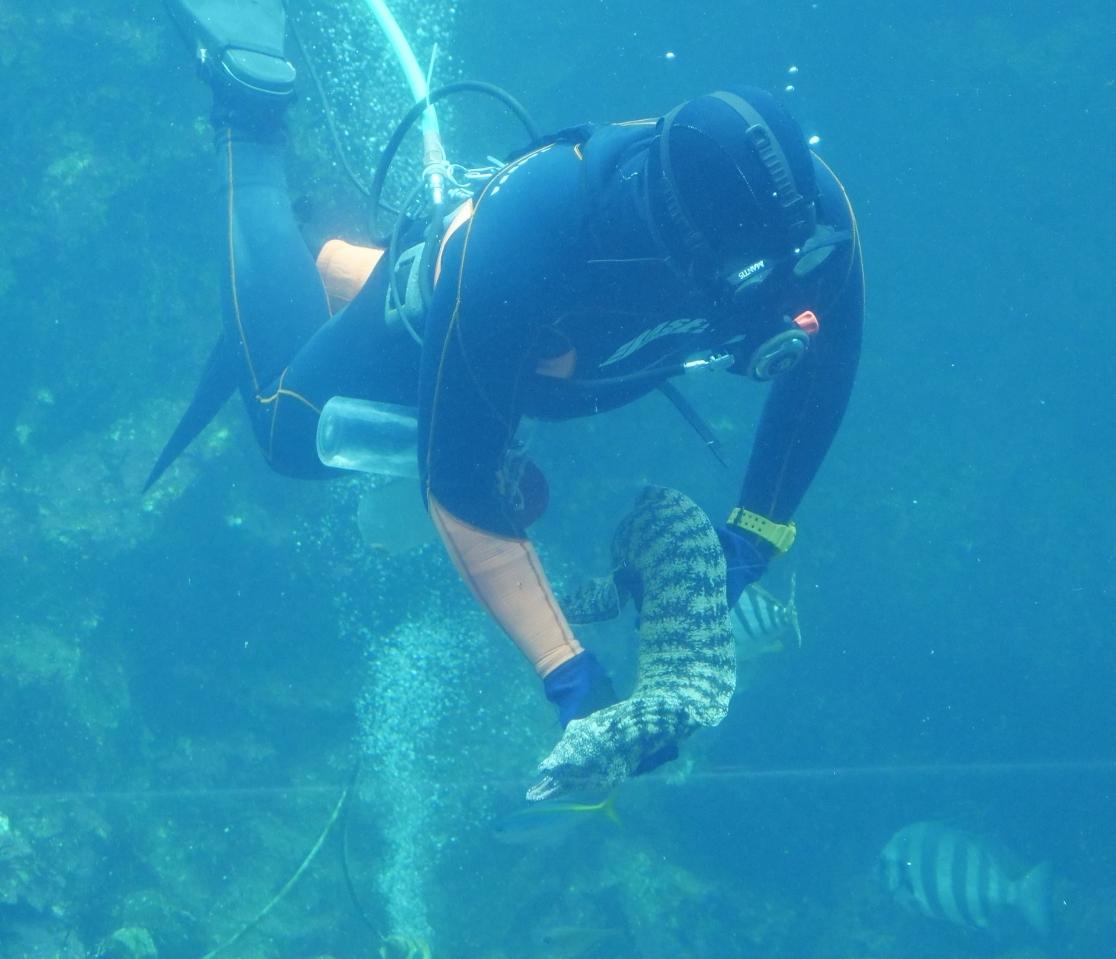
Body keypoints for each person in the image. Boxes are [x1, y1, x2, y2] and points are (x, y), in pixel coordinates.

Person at [155, 0, 865, 743]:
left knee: (498, 348)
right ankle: (250, 118)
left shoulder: (806, 219)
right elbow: (458, 481)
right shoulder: (525, 246)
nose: (774, 287)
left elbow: (827, 366)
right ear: (683, 243)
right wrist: (568, 671)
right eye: (750, 271)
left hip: (545, 349)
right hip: (453, 323)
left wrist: (756, 531)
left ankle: (338, 268)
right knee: (287, 432)